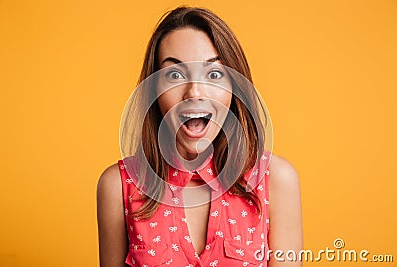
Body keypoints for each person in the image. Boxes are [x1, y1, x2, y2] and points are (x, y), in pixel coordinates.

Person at [97, 6, 302, 267]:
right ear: (153, 91)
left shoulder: (277, 181)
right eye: (174, 75)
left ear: (235, 88)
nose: (194, 92)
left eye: (214, 74)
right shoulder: (118, 186)